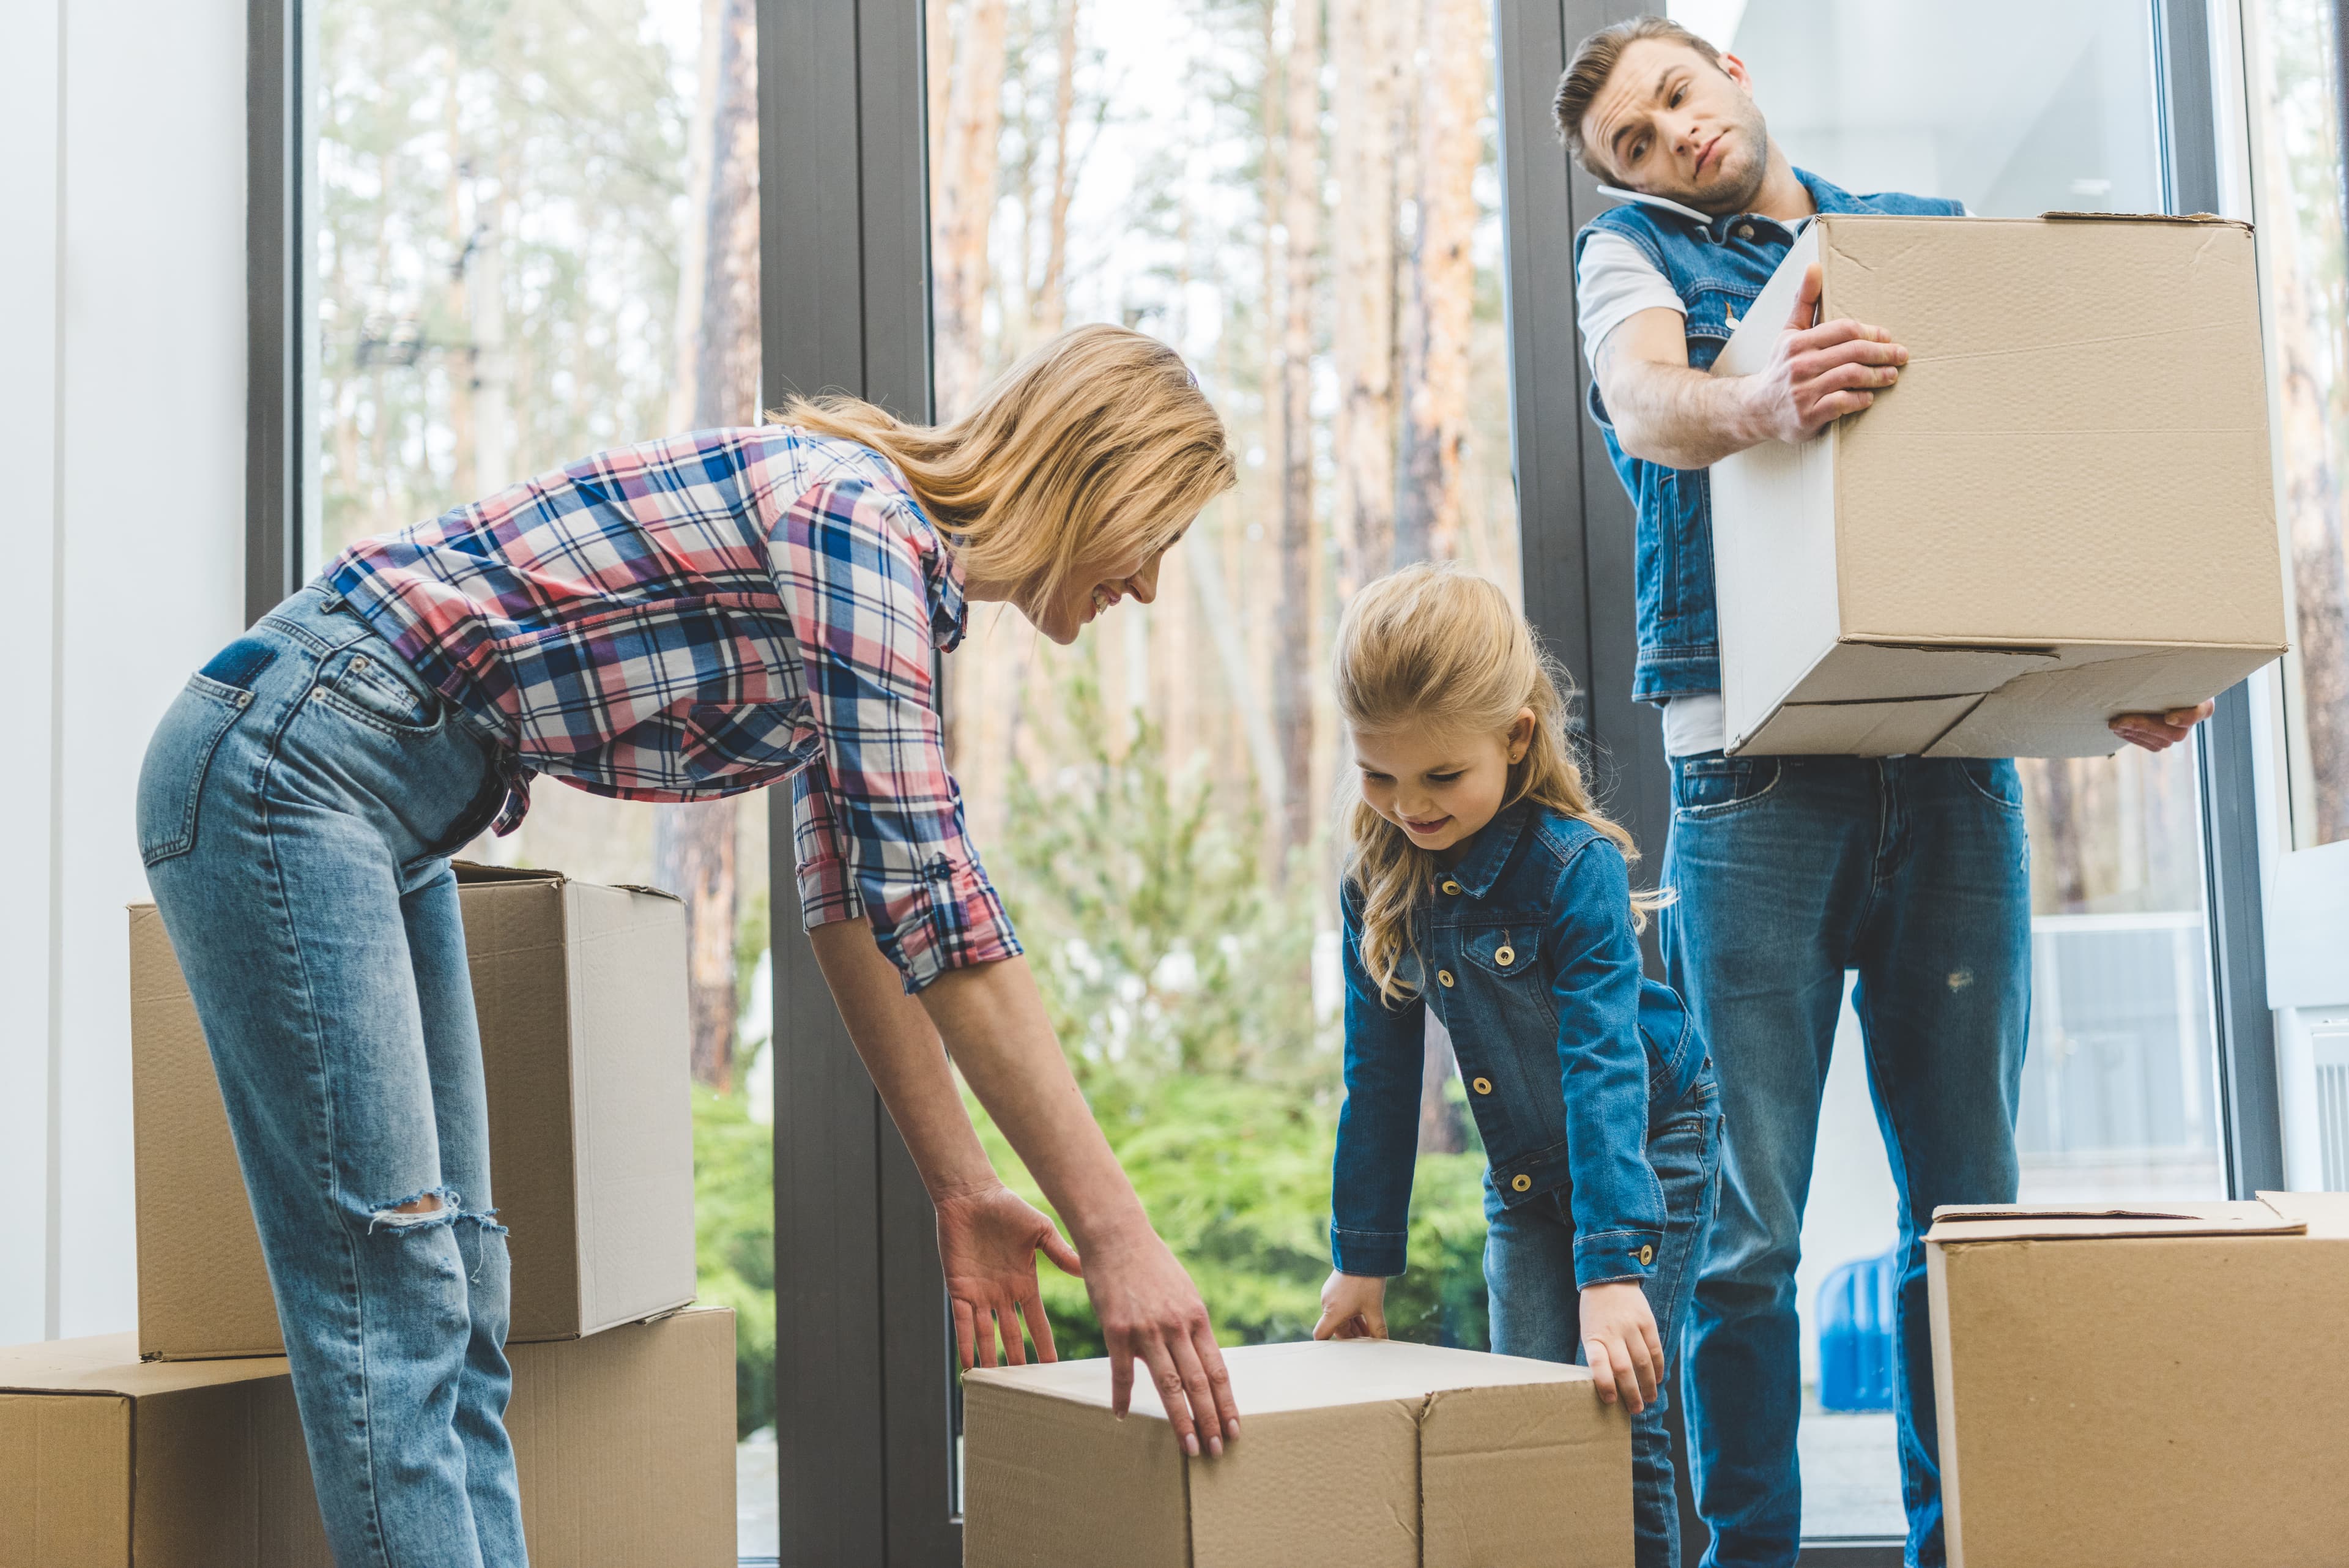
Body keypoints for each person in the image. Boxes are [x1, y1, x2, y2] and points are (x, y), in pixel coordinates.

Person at [136, 323, 1243, 1568]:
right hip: (287, 767)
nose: (1151, 585)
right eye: (1161, 536)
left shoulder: (879, 569)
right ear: (1096, 477)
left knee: (461, 1298)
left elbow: (855, 910)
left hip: (374, 801)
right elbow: (936, 902)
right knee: (395, 1299)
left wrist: (964, 1187)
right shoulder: (854, 520)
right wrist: (1116, 1234)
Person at [1549, 19, 2217, 1567]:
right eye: (1633, 145)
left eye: (1675, 97)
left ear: (1730, 74)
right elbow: (1648, 401)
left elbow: (2019, 475)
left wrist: (2104, 674)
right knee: (1746, 1232)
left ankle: (1959, 1545)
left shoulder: (1917, 241)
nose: (1670, 138)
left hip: (1949, 766)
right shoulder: (1632, 258)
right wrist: (1764, 398)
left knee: (1969, 1222)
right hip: (1750, 779)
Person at [1309, 563, 1722, 1568]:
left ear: (1516, 738)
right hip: (1528, 1175)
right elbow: (1379, 1082)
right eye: (1378, 776)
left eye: (1440, 777)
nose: (1408, 806)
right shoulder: (1377, 884)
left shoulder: (1573, 866)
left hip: (1645, 1147)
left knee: (1613, 1408)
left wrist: (1611, 1267)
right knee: (1524, 1414)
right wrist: (1362, 1260)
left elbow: (1603, 1064)